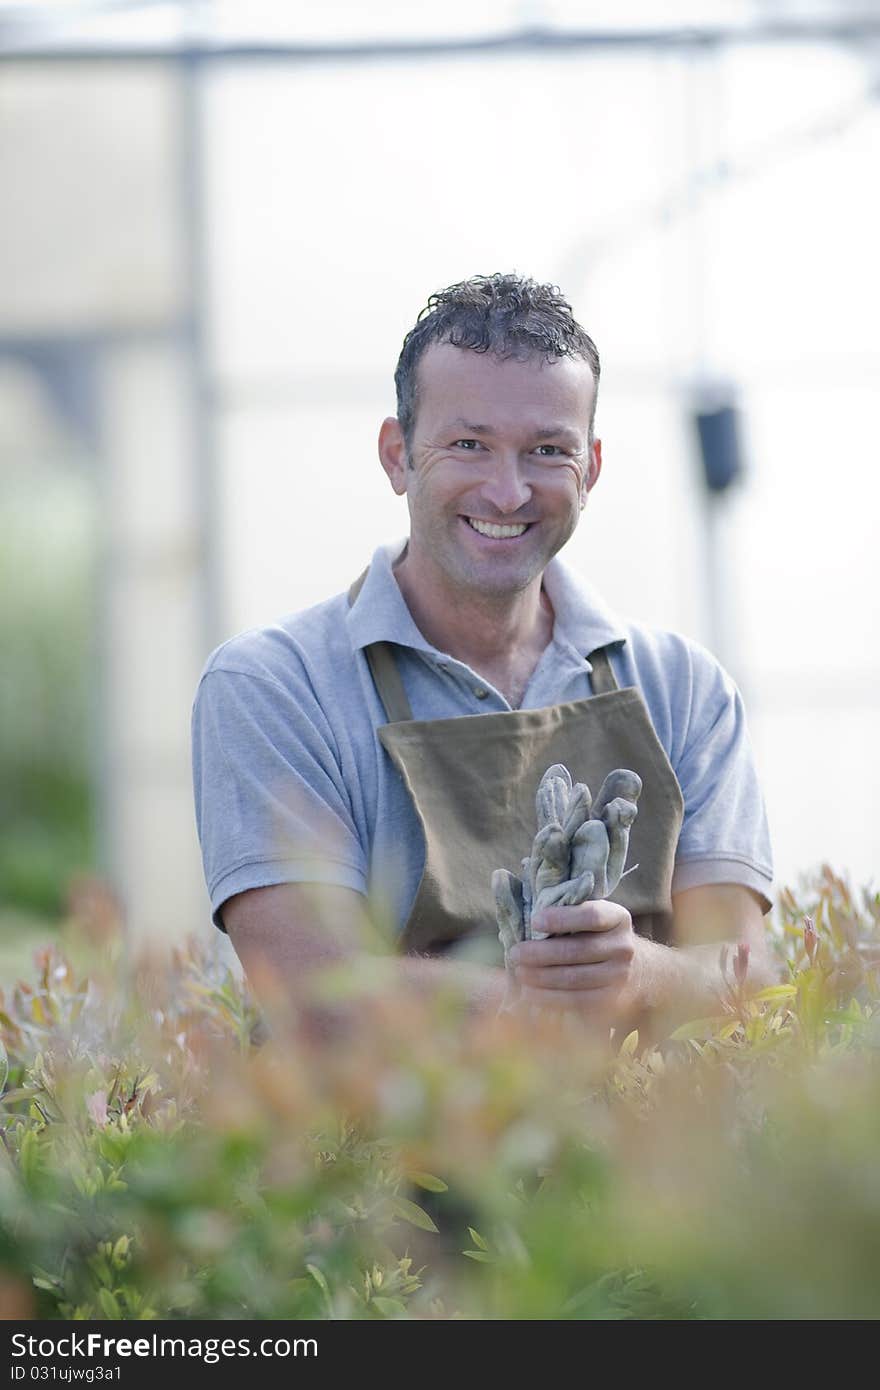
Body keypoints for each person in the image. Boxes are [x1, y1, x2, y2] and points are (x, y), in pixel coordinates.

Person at [191, 273, 775, 1035]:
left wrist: (640, 971)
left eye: (546, 451)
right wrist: (541, 999)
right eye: (469, 445)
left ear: (591, 468)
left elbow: (744, 971)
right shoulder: (276, 687)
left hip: (649, 1145)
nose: (507, 492)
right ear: (397, 455)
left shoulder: (683, 687)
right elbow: (310, 993)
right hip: (388, 1153)